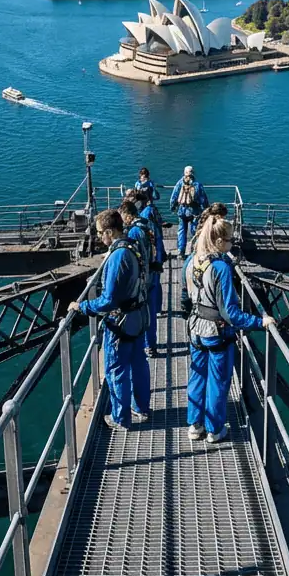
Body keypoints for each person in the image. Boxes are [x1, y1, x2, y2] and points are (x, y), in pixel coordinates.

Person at [183, 217, 272, 444]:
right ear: (220, 241)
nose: (233, 244)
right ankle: (214, 430)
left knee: (197, 377)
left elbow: (185, 299)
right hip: (217, 332)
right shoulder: (221, 268)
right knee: (217, 382)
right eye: (231, 240)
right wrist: (259, 322)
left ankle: (195, 426)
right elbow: (230, 313)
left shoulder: (191, 261)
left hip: (195, 328)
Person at [69, 209, 150, 430]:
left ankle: (120, 418)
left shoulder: (117, 257)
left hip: (121, 321)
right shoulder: (132, 246)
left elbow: (108, 300)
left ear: (110, 231)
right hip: (139, 315)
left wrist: (82, 306)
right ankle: (141, 407)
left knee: (117, 369)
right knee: (138, 363)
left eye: (100, 233)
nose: (98, 237)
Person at [126, 188, 167, 357]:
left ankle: (147, 344)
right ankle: (151, 344)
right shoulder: (147, 220)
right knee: (153, 301)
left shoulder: (135, 230)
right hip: (153, 267)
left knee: (144, 311)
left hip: (144, 276)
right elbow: (157, 238)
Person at [169, 165, 209, 258]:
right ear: (193, 173)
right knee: (194, 231)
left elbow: (174, 196)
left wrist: (173, 207)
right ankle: (194, 250)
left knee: (182, 230)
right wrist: (206, 209)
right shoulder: (197, 184)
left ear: (184, 173)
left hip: (182, 211)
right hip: (194, 211)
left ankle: (181, 251)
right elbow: (203, 199)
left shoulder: (180, 183)